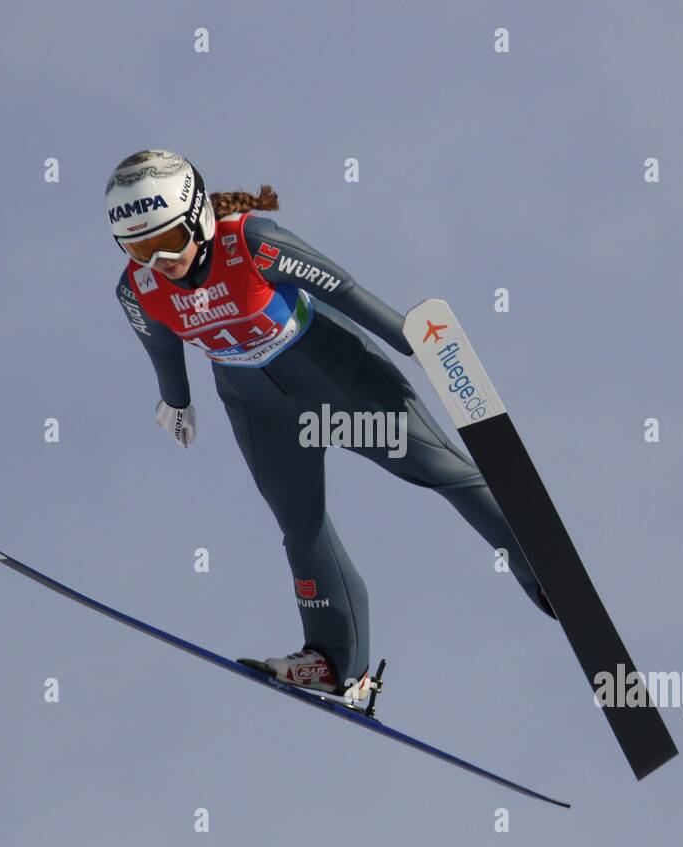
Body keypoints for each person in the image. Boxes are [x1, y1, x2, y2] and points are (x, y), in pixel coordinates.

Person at [106, 149, 553, 702]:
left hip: (334, 376)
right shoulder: (138, 289)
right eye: (139, 248)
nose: (159, 260)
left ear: (197, 212)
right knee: (301, 526)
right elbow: (160, 345)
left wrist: (416, 342)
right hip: (257, 408)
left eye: (168, 240)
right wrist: (175, 402)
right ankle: (337, 664)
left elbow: (346, 293)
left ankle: (543, 567)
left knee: (441, 471)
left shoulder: (250, 242)